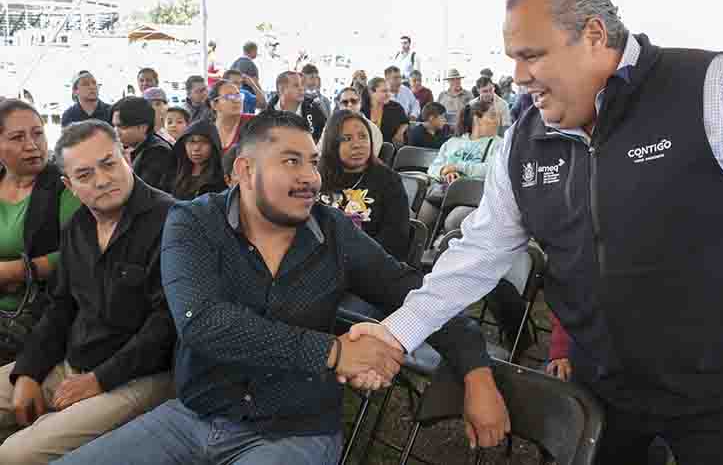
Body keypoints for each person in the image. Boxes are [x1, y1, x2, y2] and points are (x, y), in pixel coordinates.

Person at [349, 0, 723, 465]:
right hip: (599, 385)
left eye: (532, 55)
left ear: (593, 34)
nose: (518, 77)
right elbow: (480, 250)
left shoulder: (714, 87)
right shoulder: (525, 137)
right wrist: (396, 330)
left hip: (719, 384)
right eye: (513, 59)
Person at [55, 110, 508, 465]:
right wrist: (332, 352)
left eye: (312, 161)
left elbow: (413, 291)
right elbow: (204, 323)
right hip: (194, 417)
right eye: (291, 161)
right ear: (245, 170)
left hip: (296, 431)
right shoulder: (192, 221)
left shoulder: (332, 231)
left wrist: (476, 371)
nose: (311, 177)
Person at [0, 120, 175, 464]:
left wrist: (99, 380)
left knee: (14, 455)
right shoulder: (77, 226)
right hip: (72, 363)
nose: (102, 180)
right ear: (69, 185)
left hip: (142, 377)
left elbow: (167, 323)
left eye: (108, 164)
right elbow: (61, 306)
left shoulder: (173, 220)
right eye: (84, 175)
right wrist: (29, 371)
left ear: (126, 156)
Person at [0, 100, 82, 365]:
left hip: (38, 316)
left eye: (38, 133)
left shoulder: (64, 184)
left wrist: (13, 271)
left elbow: (80, 250)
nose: (32, 145)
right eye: (17, 137)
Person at [319, 110, 410, 261]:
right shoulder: (316, 178)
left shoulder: (388, 180)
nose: (357, 145)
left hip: (369, 266)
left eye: (363, 137)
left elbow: (395, 239)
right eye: (347, 138)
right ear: (332, 143)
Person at [417, 99, 502, 229]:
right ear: (477, 119)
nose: (498, 120)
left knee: (453, 221)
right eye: (492, 116)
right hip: (444, 192)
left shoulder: (499, 144)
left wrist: (458, 166)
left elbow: (492, 170)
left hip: (473, 198)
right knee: (421, 216)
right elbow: (433, 168)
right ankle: (425, 248)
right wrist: (445, 171)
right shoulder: (453, 142)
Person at [111, 97, 174, 191]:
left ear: (143, 127)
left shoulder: (158, 152)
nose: (115, 132)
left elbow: (144, 192)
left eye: (122, 127)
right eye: (114, 126)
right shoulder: (138, 147)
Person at [169, 120, 227, 201]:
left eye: (204, 142)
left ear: (213, 145)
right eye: (191, 142)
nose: (196, 148)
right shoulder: (174, 172)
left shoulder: (222, 177)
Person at [321, 87, 383, 156]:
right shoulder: (330, 126)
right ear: (339, 105)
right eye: (345, 102)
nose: (349, 105)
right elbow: (320, 151)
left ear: (360, 103)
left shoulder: (372, 129)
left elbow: (371, 158)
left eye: (353, 101)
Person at [267, 71, 327, 141]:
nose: (301, 88)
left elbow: (322, 140)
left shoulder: (315, 111)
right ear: (282, 90)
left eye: (302, 85)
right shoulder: (266, 115)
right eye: (296, 85)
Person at [209, 80, 255, 154]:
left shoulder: (254, 122)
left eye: (238, 95)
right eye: (229, 97)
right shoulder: (206, 130)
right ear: (214, 104)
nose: (236, 100)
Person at [364, 77, 408, 146]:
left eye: (389, 91)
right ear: (371, 92)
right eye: (384, 91)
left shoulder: (396, 107)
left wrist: (400, 133)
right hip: (367, 146)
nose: (388, 94)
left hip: (389, 148)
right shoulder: (363, 108)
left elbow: (405, 122)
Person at [230, 42, 267, 114]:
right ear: (253, 51)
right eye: (256, 51)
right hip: (248, 101)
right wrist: (261, 94)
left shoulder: (235, 63)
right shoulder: (250, 64)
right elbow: (254, 82)